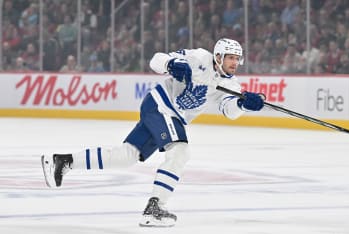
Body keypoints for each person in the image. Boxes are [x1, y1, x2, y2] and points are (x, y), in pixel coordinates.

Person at [41, 38, 265, 227]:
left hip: (169, 114)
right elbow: (156, 60)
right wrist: (171, 63)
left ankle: (62, 162)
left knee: (126, 156)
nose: (235, 62)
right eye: (231, 57)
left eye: (237, 58)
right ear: (218, 56)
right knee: (180, 152)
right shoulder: (199, 58)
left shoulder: (233, 86)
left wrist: (244, 105)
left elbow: (229, 110)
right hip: (160, 104)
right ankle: (155, 207)